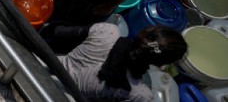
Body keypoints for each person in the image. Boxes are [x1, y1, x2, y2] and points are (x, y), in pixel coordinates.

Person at [59, 25, 187, 102]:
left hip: (44, 68)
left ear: (145, 31)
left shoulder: (108, 31)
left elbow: (57, 32)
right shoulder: (140, 95)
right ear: (161, 65)